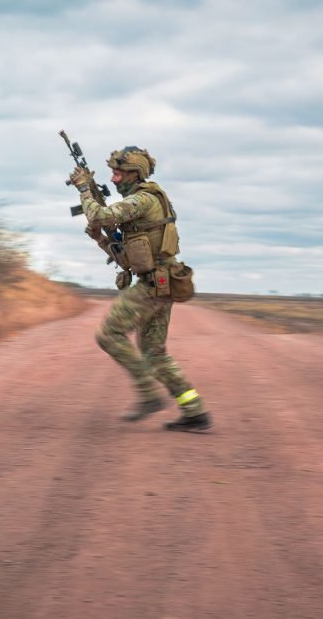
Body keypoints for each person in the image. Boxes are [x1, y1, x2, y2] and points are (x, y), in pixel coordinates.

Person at [68, 146, 211, 432]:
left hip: (154, 285)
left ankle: (148, 394)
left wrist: (84, 189)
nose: (114, 179)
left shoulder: (144, 199)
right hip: (162, 282)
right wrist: (100, 240)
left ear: (136, 173)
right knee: (154, 353)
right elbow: (127, 256)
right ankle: (194, 410)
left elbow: (101, 216)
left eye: (118, 173)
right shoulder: (140, 204)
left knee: (108, 334)